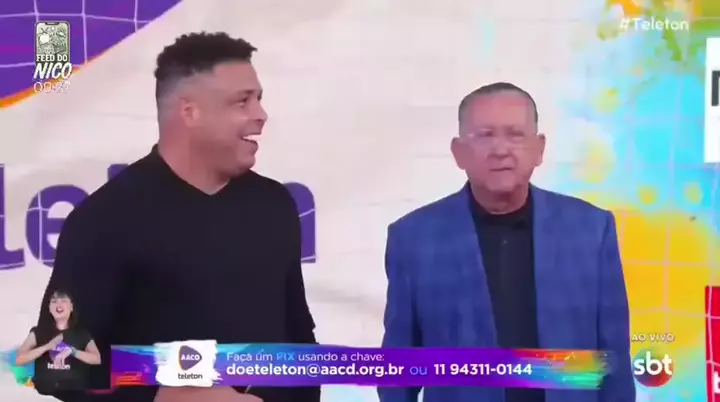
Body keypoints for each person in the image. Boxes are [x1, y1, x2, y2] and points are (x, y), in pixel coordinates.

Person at [37, 32, 319, 402]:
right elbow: (55, 365)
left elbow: (298, 341)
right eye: (242, 101)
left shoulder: (274, 204)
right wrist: (165, 395)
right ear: (190, 112)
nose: (260, 115)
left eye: (259, 99)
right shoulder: (105, 220)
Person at [378, 82, 635, 402]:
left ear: (539, 149)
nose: (500, 150)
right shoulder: (414, 239)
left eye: (515, 135)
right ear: (459, 152)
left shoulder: (591, 230)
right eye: (485, 135)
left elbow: (614, 363)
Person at [16, 290, 101, 393]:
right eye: (54, 301)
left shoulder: (82, 334)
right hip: (43, 394)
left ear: (71, 307)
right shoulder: (37, 332)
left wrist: (73, 351)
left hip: (73, 393)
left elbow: (97, 359)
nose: (58, 304)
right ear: (49, 308)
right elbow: (19, 360)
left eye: (63, 301)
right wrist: (46, 347)